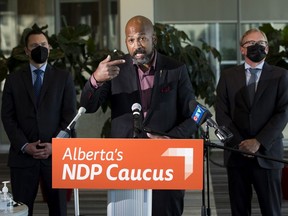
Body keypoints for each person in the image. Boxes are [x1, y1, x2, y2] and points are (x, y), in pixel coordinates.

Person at [80, 15, 197, 216]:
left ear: (154, 40)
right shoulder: (117, 68)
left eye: (142, 38)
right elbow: (88, 106)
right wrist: (95, 79)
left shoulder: (176, 69)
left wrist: (170, 139)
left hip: (165, 162)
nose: (137, 45)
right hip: (126, 163)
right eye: (131, 40)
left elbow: (194, 115)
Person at [1, 29, 77, 216]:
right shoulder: (13, 80)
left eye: (43, 45)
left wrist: (54, 146)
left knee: (58, 211)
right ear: (26, 50)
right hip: (23, 158)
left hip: (55, 158)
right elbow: (7, 117)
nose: (40, 49)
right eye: (34, 46)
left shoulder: (63, 78)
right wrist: (25, 146)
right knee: (20, 211)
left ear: (49, 48)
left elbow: (70, 118)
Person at [215, 28, 288, 216]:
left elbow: (283, 112)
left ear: (268, 49)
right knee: (239, 211)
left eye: (261, 44)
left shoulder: (281, 75)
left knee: (272, 211)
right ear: (242, 49)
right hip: (236, 155)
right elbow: (221, 114)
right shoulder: (227, 76)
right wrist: (239, 144)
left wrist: (258, 142)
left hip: (268, 154)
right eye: (251, 44)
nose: (257, 47)